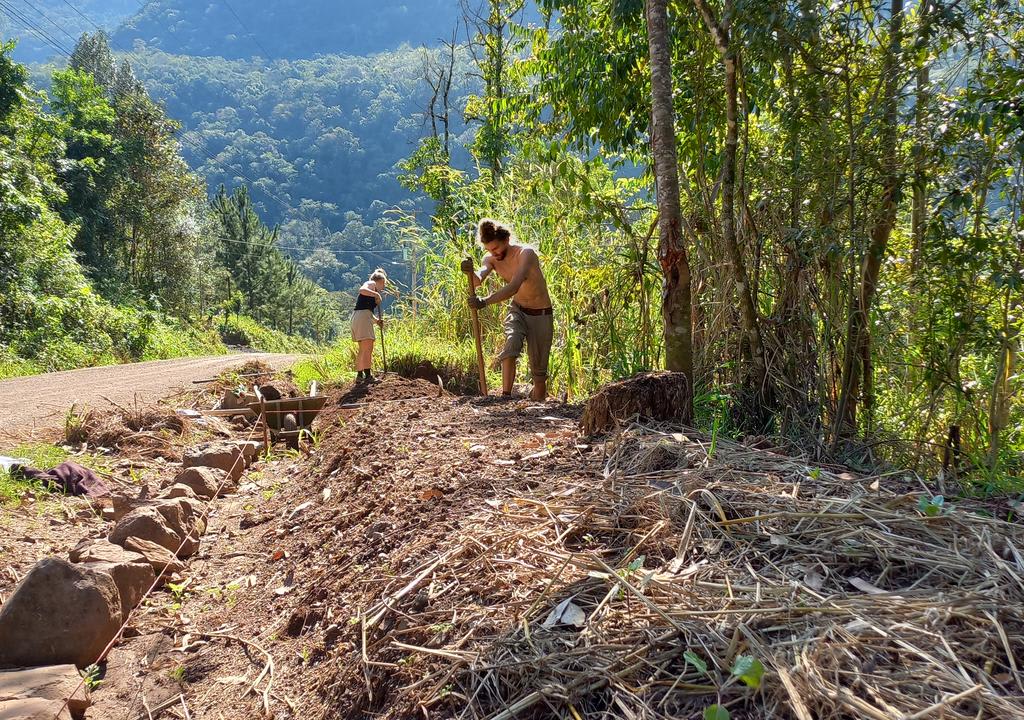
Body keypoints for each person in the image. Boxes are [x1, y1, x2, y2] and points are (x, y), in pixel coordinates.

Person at [462, 218, 553, 401]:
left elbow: (514, 287)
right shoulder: (491, 259)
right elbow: (478, 280)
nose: (493, 253)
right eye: (489, 250)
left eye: (495, 248)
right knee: (511, 344)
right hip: (518, 309)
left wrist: (485, 301)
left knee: (539, 373)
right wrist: (470, 273)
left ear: (506, 240)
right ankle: (505, 396)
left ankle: (538, 404)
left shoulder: (525, 254)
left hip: (541, 313)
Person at [351, 268, 387, 382]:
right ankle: (368, 376)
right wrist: (376, 294)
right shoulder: (371, 284)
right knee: (367, 348)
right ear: (379, 281)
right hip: (362, 318)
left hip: (360, 317)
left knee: (364, 348)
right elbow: (362, 290)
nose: (383, 287)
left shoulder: (373, 290)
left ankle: (360, 376)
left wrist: (377, 321)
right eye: (383, 284)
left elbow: (367, 311)